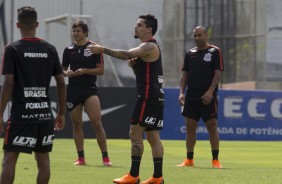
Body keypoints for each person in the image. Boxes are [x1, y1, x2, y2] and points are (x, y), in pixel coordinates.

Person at [87, 14, 164, 184]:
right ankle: (158, 177)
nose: (135, 27)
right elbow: (144, 74)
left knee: (135, 134)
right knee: (153, 137)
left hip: (147, 97)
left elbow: (126, 54)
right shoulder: (150, 48)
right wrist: (137, 68)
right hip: (156, 96)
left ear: (149, 29)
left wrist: (102, 49)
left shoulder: (149, 46)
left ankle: (133, 175)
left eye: (139, 25)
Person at [0, 6, 66, 184]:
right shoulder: (50, 49)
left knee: (9, 160)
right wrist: (60, 113)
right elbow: (61, 82)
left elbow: (8, 83)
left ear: (17, 25)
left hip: (21, 115)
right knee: (43, 162)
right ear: (37, 23)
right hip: (44, 115)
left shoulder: (12, 49)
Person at [62, 20, 112, 166]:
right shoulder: (68, 49)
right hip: (73, 90)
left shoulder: (94, 48)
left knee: (96, 122)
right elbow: (61, 70)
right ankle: (81, 158)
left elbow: (101, 70)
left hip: (89, 89)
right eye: (74, 31)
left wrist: (84, 71)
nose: (75, 33)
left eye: (78, 31)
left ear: (85, 33)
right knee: (76, 124)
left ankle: (105, 157)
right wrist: (67, 73)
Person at [177, 26, 224, 168]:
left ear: (206, 36)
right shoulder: (190, 53)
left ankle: (215, 160)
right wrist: (181, 92)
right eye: (195, 36)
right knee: (190, 127)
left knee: (212, 126)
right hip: (191, 96)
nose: (197, 38)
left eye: (200, 35)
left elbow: (217, 74)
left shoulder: (215, 51)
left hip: (208, 96)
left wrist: (210, 91)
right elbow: (184, 75)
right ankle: (189, 160)